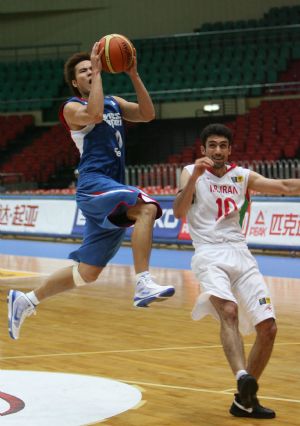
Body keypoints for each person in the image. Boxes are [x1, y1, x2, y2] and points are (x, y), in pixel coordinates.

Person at [8, 41, 175, 340]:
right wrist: (99, 73)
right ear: (75, 81)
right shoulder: (72, 107)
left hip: (111, 186)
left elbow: (148, 114)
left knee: (87, 272)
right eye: (83, 71)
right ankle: (143, 283)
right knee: (147, 207)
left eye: (91, 68)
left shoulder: (113, 101)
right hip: (93, 185)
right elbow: (94, 116)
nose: (89, 72)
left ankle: (26, 300)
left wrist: (133, 75)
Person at [173, 123, 300, 419]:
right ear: (203, 149)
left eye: (223, 146)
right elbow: (179, 212)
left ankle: (244, 401)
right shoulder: (190, 171)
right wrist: (194, 178)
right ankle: (242, 375)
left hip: (241, 254)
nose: (217, 150)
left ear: (230, 150)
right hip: (208, 254)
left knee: (268, 328)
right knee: (228, 311)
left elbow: (284, 187)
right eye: (212, 145)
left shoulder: (242, 176)